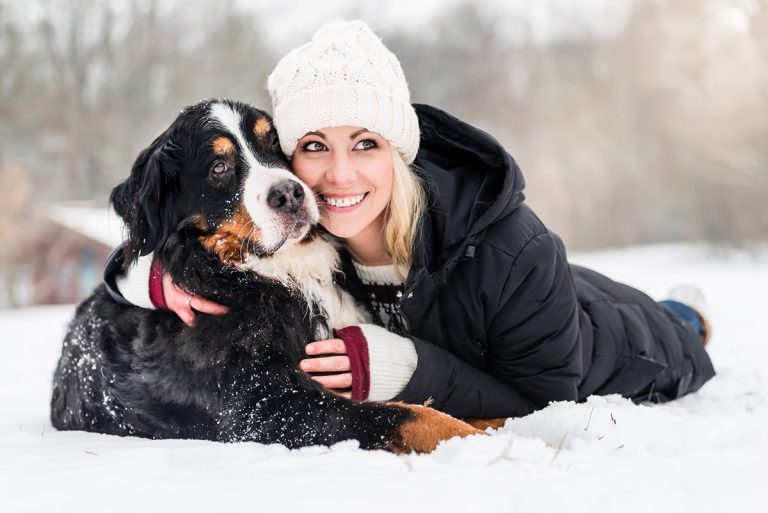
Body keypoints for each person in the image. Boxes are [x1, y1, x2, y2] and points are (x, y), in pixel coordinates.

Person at [104, 20, 714, 419]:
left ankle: (687, 313)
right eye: (314, 146)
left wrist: (407, 367)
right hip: (539, 300)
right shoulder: (305, 233)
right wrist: (155, 280)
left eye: (365, 144)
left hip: (605, 348)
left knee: (667, 328)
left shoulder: (512, 249)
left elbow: (544, 401)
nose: (339, 175)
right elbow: (161, 233)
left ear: (399, 151)